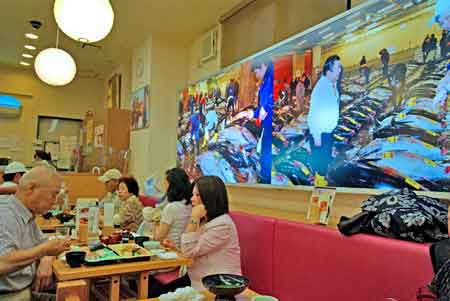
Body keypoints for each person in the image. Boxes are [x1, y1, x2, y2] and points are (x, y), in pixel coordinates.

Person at [0, 165, 71, 300]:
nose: (55, 201)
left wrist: (46, 258)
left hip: (26, 289)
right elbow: (2, 262)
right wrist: (43, 251)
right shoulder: (5, 215)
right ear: (31, 188)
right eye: (53, 194)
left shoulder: (27, 214)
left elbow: (44, 243)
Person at [181, 176, 241, 290]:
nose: (192, 199)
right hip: (198, 279)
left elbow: (188, 251)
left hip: (218, 286)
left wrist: (193, 217)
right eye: (192, 195)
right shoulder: (206, 220)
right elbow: (190, 250)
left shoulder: (222, 225)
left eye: (197, 195)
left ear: (210, 197)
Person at [307, 55, 342, 178]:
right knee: (320, 168)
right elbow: (313, 115)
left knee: (325, 162)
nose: (340, 70)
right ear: (329, 70)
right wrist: (317, 136)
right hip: (320, 135)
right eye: (337, 67)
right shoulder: (321, 88)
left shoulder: (332, 85)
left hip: (327, 134)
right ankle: (319, 189)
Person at [248, 58, 274, 184]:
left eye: (256, 71)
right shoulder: (266, 81)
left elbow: (267, 104)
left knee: (266, 154)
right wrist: (253, 112)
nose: (256, 75)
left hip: (268, 125)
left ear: (263, 65)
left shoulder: (269, 80)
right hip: (267, 125)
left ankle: (265, 181)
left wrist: (263, 110)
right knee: (265, 153)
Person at [153, 168, 192, 249]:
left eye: (165, 181)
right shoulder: (189, 204)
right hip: (182, 248)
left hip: (170, 249)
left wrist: (156, 222)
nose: (163, 183)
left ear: (172, 184)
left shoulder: (171, 207)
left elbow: (158, 238)